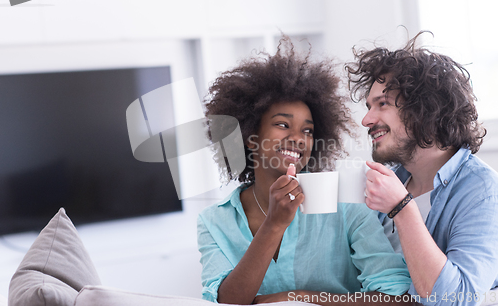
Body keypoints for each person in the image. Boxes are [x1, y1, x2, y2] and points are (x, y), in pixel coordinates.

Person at [197, 36, 413, 305]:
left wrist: (300, 299)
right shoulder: (214, 222)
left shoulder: (345, 203)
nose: (299, 138)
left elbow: (397, 297)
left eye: (308, 130)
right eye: (283, 125)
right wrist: (274, 224)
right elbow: (225, 302)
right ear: (250, 137)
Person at [346, 31, 498, 306]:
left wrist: (402, 209)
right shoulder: (390, 181)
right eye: (369, 107)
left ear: (425, 110)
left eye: (383, 104)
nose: (367, 120)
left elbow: (455, 300)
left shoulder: (484, 191)